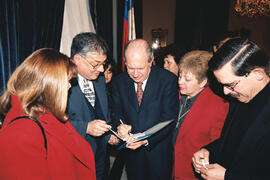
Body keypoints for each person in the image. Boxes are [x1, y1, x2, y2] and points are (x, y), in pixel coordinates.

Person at [0, 48, 96, 179]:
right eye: (67, 80)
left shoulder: (45, 113)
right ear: (50, 84)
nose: (69, 86)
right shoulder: (22, 130)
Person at [192, 38, 270, 179]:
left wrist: (227, 177)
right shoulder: (239, 99)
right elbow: (231, 143)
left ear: (258, 74)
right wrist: (208, 151)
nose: (226, 92)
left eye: (231, 85)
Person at [111, 39, 179, 180]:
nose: (135, 74)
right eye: (130, 68)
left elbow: (169, 119)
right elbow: (116, 112)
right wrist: (120, 126)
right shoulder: (119, 82)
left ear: (151, 61)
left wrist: (145, 139)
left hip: (158, 154)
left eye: (140, 68)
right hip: (132, 156)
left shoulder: (168, 80)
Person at [67, 32, 119, 180]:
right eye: (96, 64)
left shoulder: (99, 78)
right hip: (76, 161)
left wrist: (110, 134)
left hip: (101, 158)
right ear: (77, 59)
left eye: (103, 64)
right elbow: (51, 122)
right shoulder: (60, 80)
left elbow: (104, 113)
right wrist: (86, 128)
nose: (102, 70)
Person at [174, 50, 229, 179]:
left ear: (203, 82)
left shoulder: (219, 105)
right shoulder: (174, 95)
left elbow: (218, 146)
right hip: (168, 168)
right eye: (180, 76)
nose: (180, 82)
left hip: (191, 173)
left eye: (187, 79)